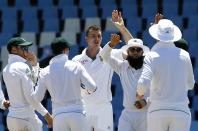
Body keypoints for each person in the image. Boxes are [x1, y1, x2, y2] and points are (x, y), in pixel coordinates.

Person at [136, 19, 195, 131]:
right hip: (181, 111)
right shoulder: (185, 55)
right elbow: (190, 84)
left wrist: (139, 94)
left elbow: (143, 84)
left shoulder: (151, 56)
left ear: (157, 35)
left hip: (157, 111)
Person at [30, 37, 97, 131]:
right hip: (78, 113)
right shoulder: (77, 66)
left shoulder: (44, 72)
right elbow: (92, 87)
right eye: (68, 49)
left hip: (59, 116)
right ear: (65, 50)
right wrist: (83, 90)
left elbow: (37, 98)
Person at [2, 37, 52, 131]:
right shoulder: (23, 67)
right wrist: (47, 115)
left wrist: (34, 65)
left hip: (12, 119)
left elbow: (32, 81)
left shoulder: (5, 70)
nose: (26, 51)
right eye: (23, 48)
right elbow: (30, 97)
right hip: (27, 119)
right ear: (14, 49)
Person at [72, 25, 115, 131]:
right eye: (93, 36)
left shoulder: (111, 55)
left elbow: (131, 47)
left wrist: (122, 27)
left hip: (103, 107)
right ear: (86, 38)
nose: (96, 39)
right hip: (83, 107)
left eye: (99, 36)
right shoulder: (76, 60)